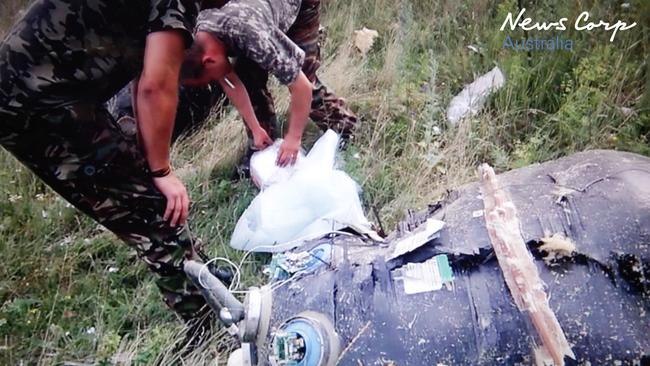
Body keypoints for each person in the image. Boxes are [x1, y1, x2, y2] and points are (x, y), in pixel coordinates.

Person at [0, 0, 224, 323]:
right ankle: (209, 322)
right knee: (151, 212)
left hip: (36, 92)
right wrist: (161, 170)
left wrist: (150, 161)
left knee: (141, 192)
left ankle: (206, 279)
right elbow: (155, 86)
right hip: (43, 100)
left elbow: (143, 74)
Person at [181, 0, 358, 166]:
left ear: (208, 61)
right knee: (247, 78)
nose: (216, 81)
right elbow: (230, 82)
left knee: (305, 76)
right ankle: (263, 146)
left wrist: (293, 138)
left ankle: (345, 127)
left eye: (211, 79)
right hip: (254, 17)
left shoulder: (254, 38)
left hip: (297, 6)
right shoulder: (201, 34)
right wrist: (255, 128)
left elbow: (301, 87)